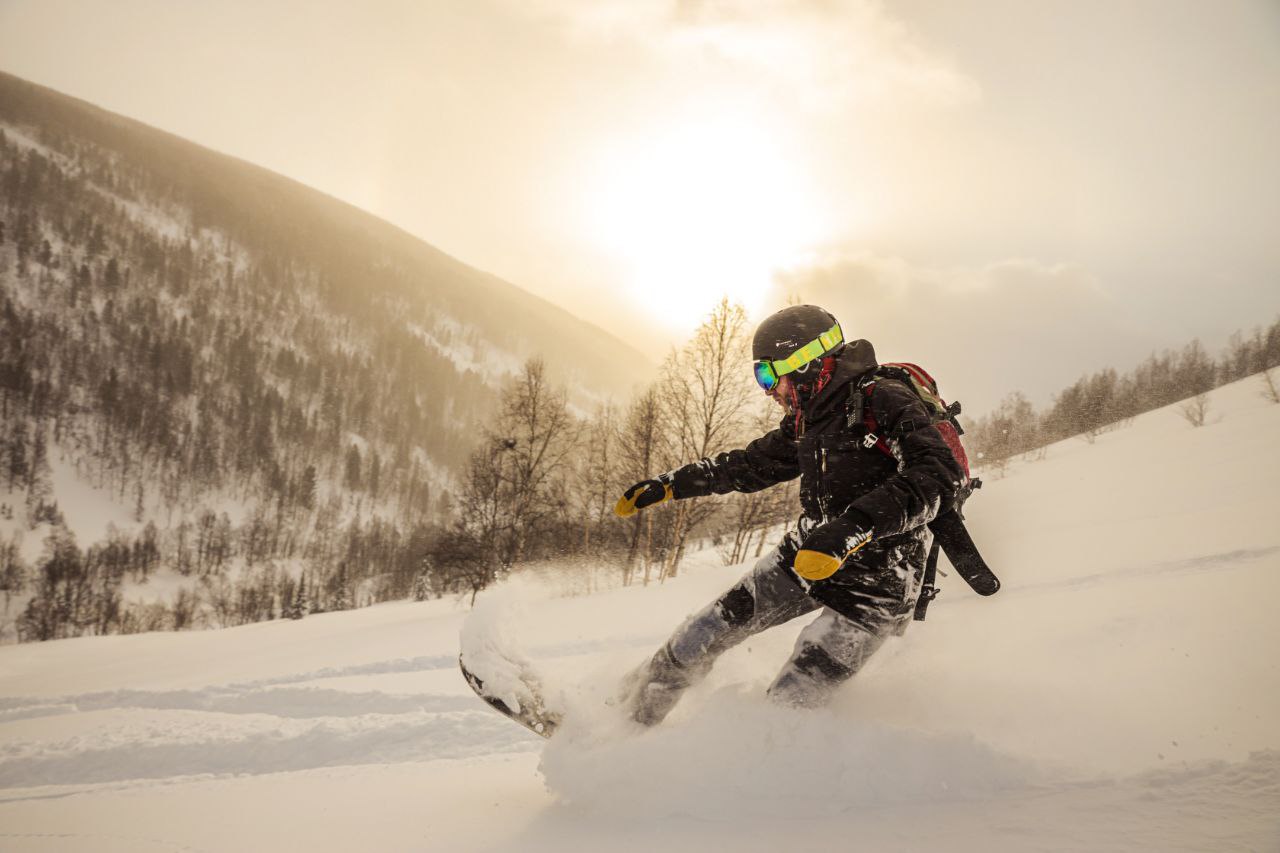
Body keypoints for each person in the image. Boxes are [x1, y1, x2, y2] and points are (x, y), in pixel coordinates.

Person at [613, 305, 964, 724]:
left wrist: (854, 527)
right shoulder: (809, 417)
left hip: (877, 586)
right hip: (804, 558)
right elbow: (751, 465)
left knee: (789, 703)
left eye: (768, 375)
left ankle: (763, 768)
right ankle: (623, 720)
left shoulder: (883, 399)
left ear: (803, 364)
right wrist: (673, 484)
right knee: (700, 636)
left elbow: (940, 476)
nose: (767, 390)